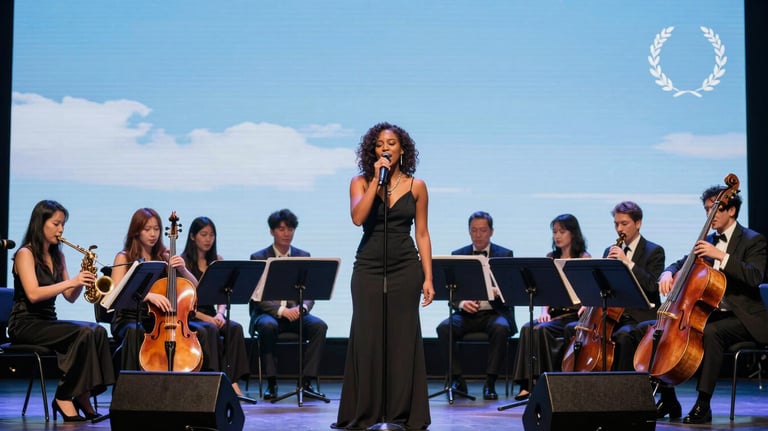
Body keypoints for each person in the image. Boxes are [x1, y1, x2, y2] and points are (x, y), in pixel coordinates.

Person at [333, 122, 434, 430]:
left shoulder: (417, 186)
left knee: (403, 340)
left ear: (402, 149)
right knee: (368, 338)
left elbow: (423, 233)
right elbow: (358, 217)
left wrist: (428, 278)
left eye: (391, 143)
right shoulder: (360, 181)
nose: (385, 148)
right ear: (372, 151)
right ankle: (366, 413)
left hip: (406, 267)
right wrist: (378, 181)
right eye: (379, 144)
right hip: (368, 267)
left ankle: (402, 413)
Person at [655, 185, 767, 424]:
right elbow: (682, 263)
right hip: (713, 313)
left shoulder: (753, 240)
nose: (711, 214)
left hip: (745, 318)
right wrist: (667, 273)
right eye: (708, 209)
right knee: (659, 330)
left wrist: (721, 256)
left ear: (732, 210)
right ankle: (667, 397)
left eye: (717, 208)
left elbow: (754, 276)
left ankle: (703, 405)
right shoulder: (707, 240)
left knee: (711, 332)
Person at [8, 200, 114, 421]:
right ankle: (65, 396)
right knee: (83, 333)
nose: (61, 230)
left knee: (98, 331)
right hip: (25, 323)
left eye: (63, 224)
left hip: (48, 321)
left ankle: (82, 395)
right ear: (40, 223)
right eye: (56, 223)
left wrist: (82, 280)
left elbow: (70, 297)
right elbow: (33, 294)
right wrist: (71, 281)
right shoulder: (25, 254)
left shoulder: (58, 256)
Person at [110, 208, 218, 373]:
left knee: (203, 332)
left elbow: (197, 290)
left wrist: (183, 270)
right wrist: (147, 296)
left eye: (156, 229)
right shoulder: (124, 257)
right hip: (129, 318)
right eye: (147, 229)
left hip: (157, 320)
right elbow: (116, 294)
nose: (153, 234)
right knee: (134, 332)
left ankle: (203, 387)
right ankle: (130, 389)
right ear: (136, 231)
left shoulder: (163, 257)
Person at [249, 208, 328, 400]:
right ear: (272, 232)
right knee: (268, 326)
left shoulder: (303, 255)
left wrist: (302, 308)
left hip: (297, 313)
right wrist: (282, 311)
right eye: (281, 229)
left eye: (290, 229)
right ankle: (271, 382)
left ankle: (307, 382)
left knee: (319, 326)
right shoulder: (259, 257)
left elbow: (310, 293)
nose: (286, 233)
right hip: (268, 314)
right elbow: (257, 297)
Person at [435, 211, 515, 401]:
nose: (478, 235)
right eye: (474, 230)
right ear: (469, 232)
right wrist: (462, 303)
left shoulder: (505, 254)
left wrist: (499, 292)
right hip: (467, 313)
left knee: (501, 328)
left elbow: (512, 288)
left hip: (493, 312)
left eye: (483, 230)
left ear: (491, 232)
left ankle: (490, 382)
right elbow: (450, 291)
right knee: (444, 328)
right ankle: (457, 380)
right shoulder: (458, 255)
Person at [512, 213, 588, 401]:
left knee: (542, 331)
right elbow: (544, 290)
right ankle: (527, 384)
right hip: (553, 314)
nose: (557, 236)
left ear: (573, 233)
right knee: (527, 328)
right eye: (555, 232)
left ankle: (546, 383)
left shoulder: (583, 258)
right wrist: (543, 311)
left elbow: (588, 290)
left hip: (572, 315)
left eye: (562, 231)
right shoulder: (550, 258)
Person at [182, 216, 250, 397]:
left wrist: (220, 314)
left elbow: (222, 294)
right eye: (203, 234)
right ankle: (213, 382)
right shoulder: (183, 263)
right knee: (209, 330)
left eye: (211, 235)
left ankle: (232, 381)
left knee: (235, 328)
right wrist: (209, 319)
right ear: (192, 236)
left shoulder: (217, 261)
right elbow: (183, 303)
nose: (208, 239)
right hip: (190, 315)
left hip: (213, 314)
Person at [603, 201, 664, 372]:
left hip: (640, 315)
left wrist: (627, 262)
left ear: (638, 223)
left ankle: (625, 390)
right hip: (615, 316)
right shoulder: (610, 250)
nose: (619, 229)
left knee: (623, 336)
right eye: (616, 224)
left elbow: (653, 286)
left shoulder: (654, 251)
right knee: (577, 331)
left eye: (624, 224)